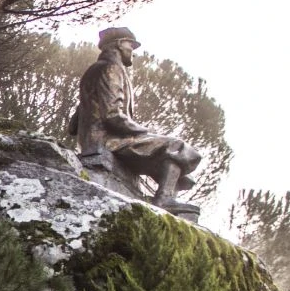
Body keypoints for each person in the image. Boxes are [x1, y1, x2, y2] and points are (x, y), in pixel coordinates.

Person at [67, 26, 202, 214]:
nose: (133, 52)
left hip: (92, 140)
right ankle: (164, 199)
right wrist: (144, 133)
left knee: (168, 156)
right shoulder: (111, 68)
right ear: (119, 45)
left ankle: (169, 189)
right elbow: (113, 115)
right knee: (176, 146)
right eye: (131, 45)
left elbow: (73, 125)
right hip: (108, 141)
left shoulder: (94, 71)